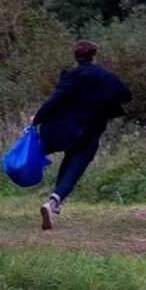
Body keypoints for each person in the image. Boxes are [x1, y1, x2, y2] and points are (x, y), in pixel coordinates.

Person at [32, 39, 132, 230]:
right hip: (92, 130)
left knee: (70, 159)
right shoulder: (107, 77)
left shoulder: (72, 76)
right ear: (94, 56)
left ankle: (54, 203)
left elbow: (54, 100)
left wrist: (36, 119)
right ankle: (53, 202)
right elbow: (127, 96)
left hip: (69, 130)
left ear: (77, 57)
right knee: (76, 167)